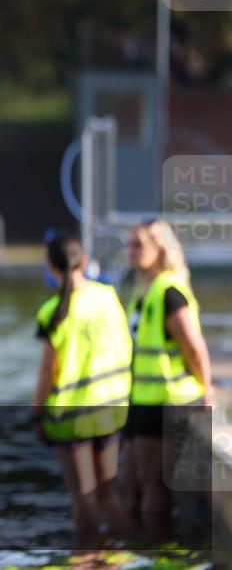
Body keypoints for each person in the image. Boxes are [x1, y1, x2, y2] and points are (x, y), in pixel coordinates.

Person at [31, 232, 133, 548]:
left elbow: (48, 371)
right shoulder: (108, 297)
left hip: (71, 415)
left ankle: (87, 553)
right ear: (84, 261)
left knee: (82, 494)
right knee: (106, 492)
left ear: (51, 267)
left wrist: (36, 414)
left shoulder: (52, 312)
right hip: (112, 408)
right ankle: (134, 551)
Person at [122, 219, 213, 541]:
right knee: (131, 484)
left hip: (168, 400)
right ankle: (137, 547)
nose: (129, 252)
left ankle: (157, 551)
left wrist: (207, 390)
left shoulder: (170, 292)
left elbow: (194, 348)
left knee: (153, 486)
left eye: (138, 246)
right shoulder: (144, 290)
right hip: (142, 398)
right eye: (128, 245)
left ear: (159, 250)